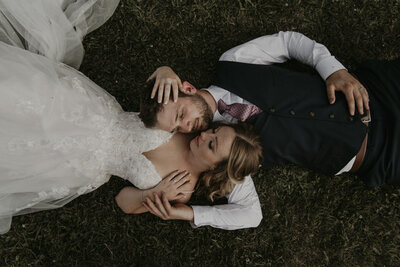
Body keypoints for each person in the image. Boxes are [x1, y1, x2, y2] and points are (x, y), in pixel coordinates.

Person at [0, 0, 264, 234]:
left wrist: (154, 194)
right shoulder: (187, 127)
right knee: (16, 95)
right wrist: (164, 70)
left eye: (212, 144)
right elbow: (161, 95)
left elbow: (124, 202)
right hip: (89, 115)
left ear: (215, 168)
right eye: (214, 132)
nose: (206, 134)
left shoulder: (182, 190)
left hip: (80, 164)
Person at [141, 31, 399, 229]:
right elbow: (251, 214)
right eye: (177, 128)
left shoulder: (233, 63)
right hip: (382, 153)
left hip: (379, 91)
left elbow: (288, 42)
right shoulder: (226, 153)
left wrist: (335, 71)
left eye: (181, 114)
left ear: (187, 88)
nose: (187, 127)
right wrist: (188, 213)